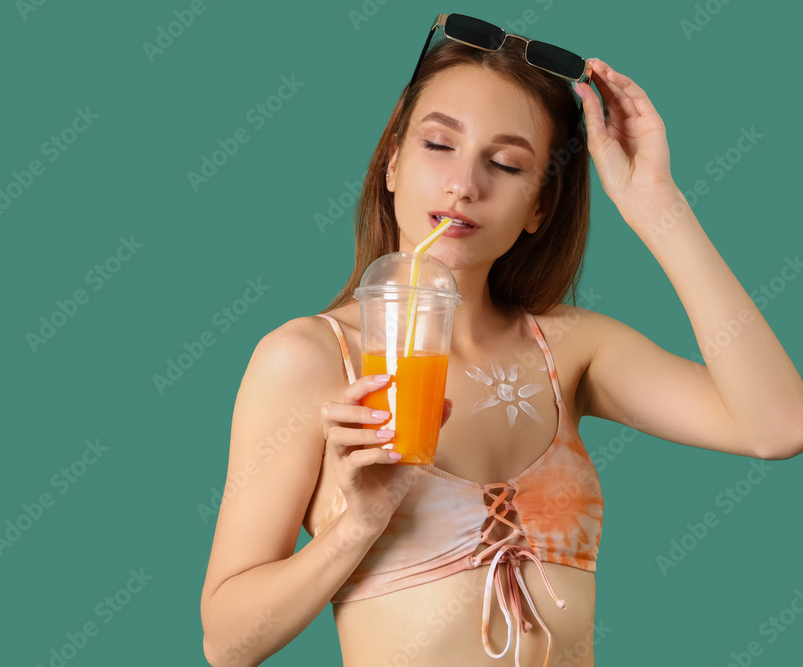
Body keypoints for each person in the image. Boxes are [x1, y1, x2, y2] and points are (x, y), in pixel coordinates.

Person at [201, 13, 803, 667]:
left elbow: (778, 425)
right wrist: (357, 525)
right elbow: (228, 642)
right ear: (393, 162)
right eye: (438, 145)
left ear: (539, 206)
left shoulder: (571, 350)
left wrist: (656, 203)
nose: (465, 183)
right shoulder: (309, 360)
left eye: (507, 163)